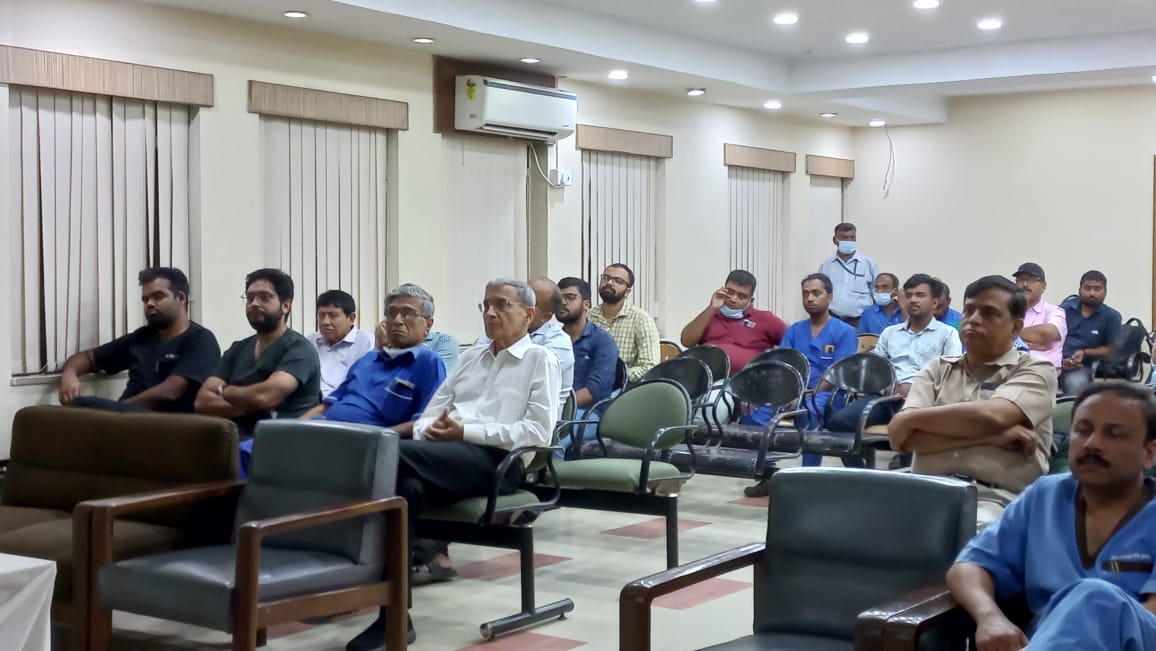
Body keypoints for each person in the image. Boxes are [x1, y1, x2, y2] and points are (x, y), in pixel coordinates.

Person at [344, 278, 560, 651]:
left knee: (381, 451)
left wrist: (466, 432)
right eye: (486, 305)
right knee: (402, 493)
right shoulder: (471, 357)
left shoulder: (540, 360)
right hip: (444, 457)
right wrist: (437, 431)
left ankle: (341, 572)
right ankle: (394, 617)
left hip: (498, 463)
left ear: (528, 315)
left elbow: (537, 433)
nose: (490, 312)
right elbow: (429, 416)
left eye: (501, 305)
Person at [945, 381, 1156, 650]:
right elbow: (967, 567)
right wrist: (990, 617)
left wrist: (1090, 620)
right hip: (1043, 641)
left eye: (1114, 434)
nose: (1092, 443)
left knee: (1094, 597)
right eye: (1083, 430)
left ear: (1149, 453)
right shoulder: (1045, 496)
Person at [887, 275, 1058, 526]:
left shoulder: (1035, 370)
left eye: (989, 313)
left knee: (960, 536)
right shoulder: (937, 369)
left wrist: (910, 419)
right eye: (969, 310)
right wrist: (990, 438)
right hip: (925, 494)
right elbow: (903, 439)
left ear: (1015, 328)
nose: (974, 319)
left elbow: (994, 416)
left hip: (995, 500)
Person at [826, 274, 962, 468]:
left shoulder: (947, 334)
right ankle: (862, 476)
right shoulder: (890, 333)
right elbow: (874, 368)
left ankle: (908, 481)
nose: (913, 300)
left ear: (934, 303)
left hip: (921, 401)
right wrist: (886, 386)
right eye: (909, 295)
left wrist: (916, 388)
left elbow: (950, 374)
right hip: (885, 397)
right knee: (838, 422)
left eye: (920, 295)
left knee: (910, 426)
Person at [743, 273, 857, 497]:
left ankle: (808, 480)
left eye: (816, 293)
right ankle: (767, 474)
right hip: (791, 391)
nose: (810, 299)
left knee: (809, 410)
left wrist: (806, 395)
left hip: (826, 394)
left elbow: (836, 374)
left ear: (829, 297)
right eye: (806, 294)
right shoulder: (795, 330)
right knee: (753, 410)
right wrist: (761, 393)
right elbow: (782, 366)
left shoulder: (845, 332)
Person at [58, 267, 220, 413]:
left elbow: (170, 392)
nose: (150, 304)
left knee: (84, 406)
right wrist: (69, 375)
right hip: (129, 421)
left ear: (180, 298)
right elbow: (88, 358)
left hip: (169, 424)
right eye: (145, 299)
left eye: (158, 297)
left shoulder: (201, 340)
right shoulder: (141, 337)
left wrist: (118, 409)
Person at [194, 269, 321, 441]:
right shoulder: (238, 348)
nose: (254, 303)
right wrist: (252, 404)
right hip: (231, 440)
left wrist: (224, 391)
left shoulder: (300, 349)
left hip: (281, 442)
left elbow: (263, 397)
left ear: (286, 305)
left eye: (264, 297)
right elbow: (202, 402)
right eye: (250, 298)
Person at [301, 284, 446, 433]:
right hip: (321, 429)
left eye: (408, 314)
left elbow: (426, 422)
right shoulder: (368, 359)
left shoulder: (428, 362)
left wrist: (379, 438)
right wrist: (294, 428)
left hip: (362, 439)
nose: (397, 320)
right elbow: (325, 407)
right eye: (391, 313)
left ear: (428, 324)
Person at [478, 277, 574, 408]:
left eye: (530, 300)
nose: (522, 298)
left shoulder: (557, 343)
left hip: (528, 415)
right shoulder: (499, 331)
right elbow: (474, 370)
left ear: (545, 317)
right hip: (487, 409)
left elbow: (513, 382)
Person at [679, 269, 787, 372]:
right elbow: (686, 341)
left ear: (751, 300)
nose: (733, 299)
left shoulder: (765, 319)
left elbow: (792, 342)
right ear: (722, 290)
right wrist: (712, 308)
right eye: (730, 292)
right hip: (709, 379)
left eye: (741, 296)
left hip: (750, 379)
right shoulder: (710, 315)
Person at [556, 277, 619, 454]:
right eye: (559, 298)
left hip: (589, 414)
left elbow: (594, 390)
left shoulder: (602, 340)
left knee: (554, 441)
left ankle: (556, 472)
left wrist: (559, 407)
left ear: (586, 304)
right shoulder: (553, 340)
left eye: (570, 297)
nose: (563, 303)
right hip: (556, 409)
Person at [589, 263, 660, 382]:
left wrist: (617, 376)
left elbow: (650, 366)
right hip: (589, 384)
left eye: (617, 281)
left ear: (627, 291)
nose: (609, 283)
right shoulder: (588, 316)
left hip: (626, 388)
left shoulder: (641, 319)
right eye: (606, 278)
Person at [1061, 270, 1121, 395]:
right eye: (1087, 288)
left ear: (1105, 291)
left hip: (1080, 366)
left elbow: (1109, 349)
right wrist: (1059, 360)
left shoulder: (1111, 317)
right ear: (1080, 290)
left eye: (1097, 289)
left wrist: (1084, 353)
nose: (1092, 293)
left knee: (1076, 385)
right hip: (1052, 361)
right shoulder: (1063, 310)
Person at [310, 290, 374, 399]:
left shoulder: (367, 343)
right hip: (313, 402)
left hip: (347, 402)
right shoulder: (311, 341)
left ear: (351, 318)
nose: (325, 322)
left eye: (333, 316)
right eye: (321, 315)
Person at [817, 222, 879, 328]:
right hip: (833, 320)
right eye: (845, 238)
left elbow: (877, 292)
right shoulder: (826, 267)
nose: (849, 241)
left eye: (852, 237)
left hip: (861, 321)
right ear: (835, 240)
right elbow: (820, 294)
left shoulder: (868, 264)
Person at [1014, 262, 1067, 376]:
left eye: (1032, 280)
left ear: (1044, 286)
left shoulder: (1054, 311)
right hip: (1010, 368)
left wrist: (1011, 336)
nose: (1025, 284)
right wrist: (1034, 340)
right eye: (1021, 280)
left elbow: (1047, 333)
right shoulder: (1008, 310)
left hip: (1041, 370)